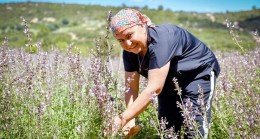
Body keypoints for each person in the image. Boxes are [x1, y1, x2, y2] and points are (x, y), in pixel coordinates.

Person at [110, 8, 220, 138]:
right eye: (121, 40)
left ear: (143, 26)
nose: (127, 44)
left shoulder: (161, 39)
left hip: (197, 74)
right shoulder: (129, 53)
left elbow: (154, 88)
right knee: (167, 128)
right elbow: (131, 89)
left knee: (193, 126)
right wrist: (129, 120)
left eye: (130, 35)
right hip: (169, 80)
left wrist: (122, 118)